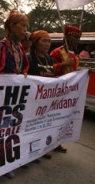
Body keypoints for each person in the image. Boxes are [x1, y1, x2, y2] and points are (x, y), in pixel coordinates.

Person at [0, 10, 30, 184]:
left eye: (27, 26)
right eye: (23, 25)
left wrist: (25, 75)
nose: (26, 29)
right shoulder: (2, 46)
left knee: (10, 131)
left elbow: (24, 67)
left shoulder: (19, 47)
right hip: (1, 98)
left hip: (14, 97)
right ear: (11, 26)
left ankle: (3, 165)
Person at [50, 25, 81, 153]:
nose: (76, 40)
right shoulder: (56, 52)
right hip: (57, 91)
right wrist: (62, 65)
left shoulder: (75, 56)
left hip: (68, 93)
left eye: (78, 38)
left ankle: (58, 142)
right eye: (74, 37)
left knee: (63, 119)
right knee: (53, 118)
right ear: (66, 37)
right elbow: (49, 68)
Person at [27, 30, 54, 159]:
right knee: (30, 126)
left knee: (43, 125)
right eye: (44, 41)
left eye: (49, 41)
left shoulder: (49, 58)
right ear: (36, 43)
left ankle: (41, 148)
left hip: (45, 100)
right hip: (32, 99)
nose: (47, 44)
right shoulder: (29, 57)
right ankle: (27, 151)